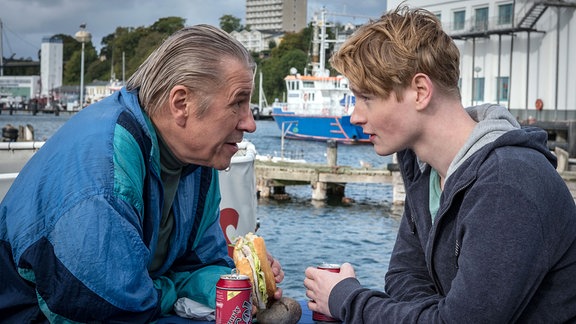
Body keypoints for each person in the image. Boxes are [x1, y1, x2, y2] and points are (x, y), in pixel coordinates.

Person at [304, 5, 576, 323]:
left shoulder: (508, 183)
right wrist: (432, 315)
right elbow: (405, 276)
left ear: (420, 91)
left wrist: (346, 298)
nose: (355, 116)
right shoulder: (426, 168)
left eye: (366, 97)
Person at [0, 25, 284, 322]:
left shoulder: (198, 158)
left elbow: (201, 261)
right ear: (181, 104)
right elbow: (109, 306)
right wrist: (171, 289)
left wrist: (234, 283)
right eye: (238, 102)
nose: (250, 123)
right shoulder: (102, 167)